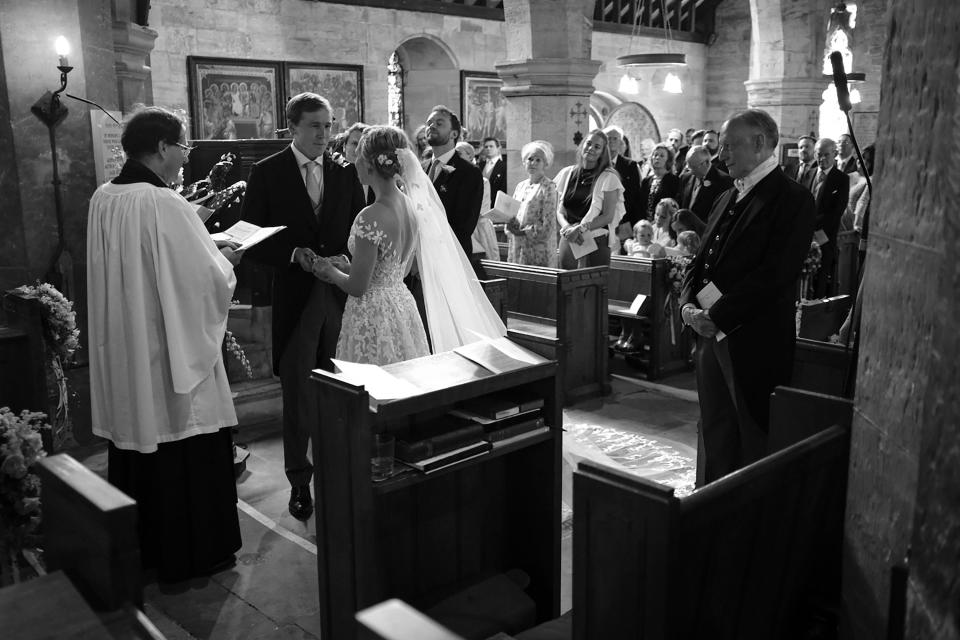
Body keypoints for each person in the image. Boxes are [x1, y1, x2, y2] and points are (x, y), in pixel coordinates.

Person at [87, 107, 243, 583]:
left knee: (140, 441)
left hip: (129, 347)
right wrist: (227, 258)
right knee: (181, 435)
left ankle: (147, 549)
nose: (184, 158)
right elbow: (200, 278)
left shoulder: (104, 197)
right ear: (160, 148)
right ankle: (194, 554)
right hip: (166, 352)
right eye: (183, 147)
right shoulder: (164, 203)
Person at [240, 92, 365, 521]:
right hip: (295, 299)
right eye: (315, 126)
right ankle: (299, 482)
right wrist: (293, 254)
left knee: (344, 389)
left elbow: (355, 229)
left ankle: (341, 474)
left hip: (338, 296)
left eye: (329, 126)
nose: (324, 135)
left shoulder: (345, 173)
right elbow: (250, 239)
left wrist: (345, 259)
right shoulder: (267, 172)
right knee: (297, 395)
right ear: (292, 127)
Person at [679, 108, 815, 485]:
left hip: (751, 338)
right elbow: (699, 259)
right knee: (715, 429)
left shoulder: (792, 199)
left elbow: (775, 274)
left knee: (750, 436)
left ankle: (746, 522)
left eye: (728, 146)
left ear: (758, 143)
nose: (721, 155)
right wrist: (688, 305)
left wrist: (717, 315)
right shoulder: (726, 197)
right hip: (708, 333)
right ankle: (712, 510)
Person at [313, 126, 430, 364]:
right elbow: (397, 270)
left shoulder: (371, 215)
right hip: (401, 305)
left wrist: (330, 271)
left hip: (373, 313)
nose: (354, 162)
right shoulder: (409, 205)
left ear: (369, 164)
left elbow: (358, 287)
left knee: (371, 390)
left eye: (358, 155)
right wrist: (350, 266)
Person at [554, 129, 626, 269]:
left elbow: (607, 216)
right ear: (582, 146)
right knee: (566, 283)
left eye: (597, 147)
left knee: (594, 285)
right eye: (588, 143)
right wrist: (567, 227)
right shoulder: (567, 173)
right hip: (570, 236)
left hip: (596, 238)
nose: (591, 148)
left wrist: (580, 229)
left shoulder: (609, 178)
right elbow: (559, 210)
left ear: (602, 153)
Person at [424, 105, 484, 263]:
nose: (431, 126)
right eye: (429, 122)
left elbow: (463, 226)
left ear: (454, 134)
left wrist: (433, 255)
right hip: (418, 255)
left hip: (449, 258)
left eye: (439, 123)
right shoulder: (420, 168)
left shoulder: (469, 173)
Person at [506, 140, 559, 266]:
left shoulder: (549, 187)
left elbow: (548, 225)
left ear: (545, 163)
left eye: (538, 160)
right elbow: (512, 213)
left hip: (538, 250)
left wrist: (524, 232)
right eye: (530, 159)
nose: (533, 163)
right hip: (518, 245)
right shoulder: (520, 186)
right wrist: (510, 225)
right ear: (524, 161)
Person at [810, 137, 850, 298]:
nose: (822, 159)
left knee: (820, 279)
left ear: (834, 154)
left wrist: (812, 227)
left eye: (826, 155)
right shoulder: (810, 173)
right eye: (819, 154)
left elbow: (836, 212)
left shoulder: (841, 179)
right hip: (802, 235)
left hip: (824, 237)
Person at [455, 141, 500, 262]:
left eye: (459, 153)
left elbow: (481, 210)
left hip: (479, 229)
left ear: (470, 156)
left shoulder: (482, 181)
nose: (455, 157)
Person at [604, 126, 642, 246]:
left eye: (614, 138)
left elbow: (635, 196)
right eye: (608, 138)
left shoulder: (630, 166)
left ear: (620, 142)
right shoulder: (597, 165)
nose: (611, 141)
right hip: (602, 222)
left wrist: (623, 219)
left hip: (624, 221)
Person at [679, 144, 734, 224]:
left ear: (707, 163)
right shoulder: (685, 178)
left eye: (694, 167)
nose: (691, 171)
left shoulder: (724, 181)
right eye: (689, 167)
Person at [631, 143, 681, 226]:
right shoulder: (646, 181)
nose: (657, 158)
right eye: (655, 155)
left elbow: (674, 207)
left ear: (668, 160)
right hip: (645, 226)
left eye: (662, 156)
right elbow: (640, 205)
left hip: (664, 225)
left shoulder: (674, 181)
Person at [480, 137, 507, 209]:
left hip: (495, 206)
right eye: (486, 147)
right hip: (480, 205)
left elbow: (503, 188)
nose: (488, 148)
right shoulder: (480, 165)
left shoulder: (504, 166)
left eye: (491, 146)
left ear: (498, 148)